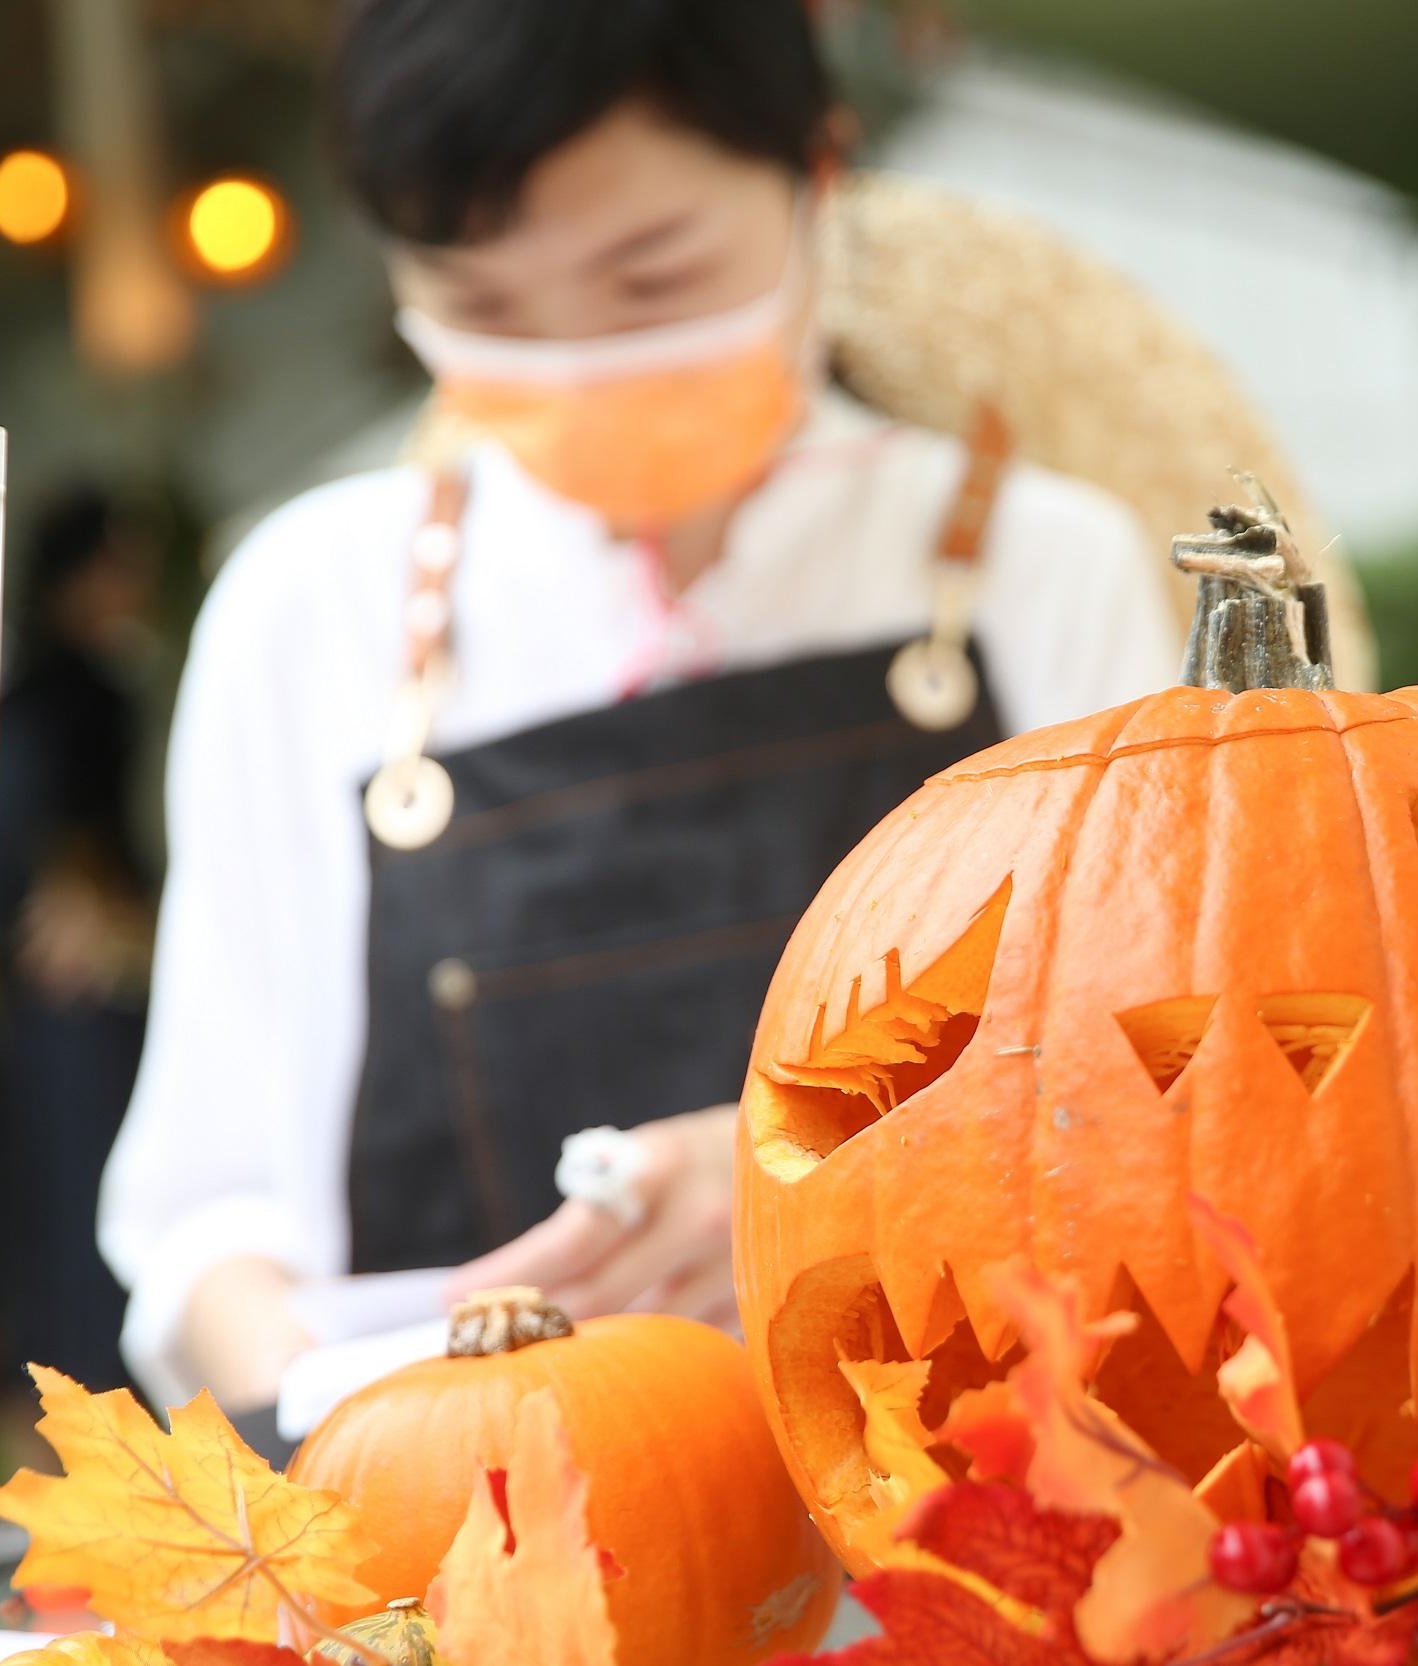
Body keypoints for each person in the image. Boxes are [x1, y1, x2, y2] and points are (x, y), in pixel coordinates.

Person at [97, 0, 1180, 1412]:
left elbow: (1167, 1094)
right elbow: (209, 1221)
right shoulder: (311, 609)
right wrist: (336, 1422)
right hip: (464, 1516)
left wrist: (820, 1177)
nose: (578, 364)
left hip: (978, 1483)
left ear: (819, 175)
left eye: (655, 281)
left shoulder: (1044, 571)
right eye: (484, 310)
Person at [0, 486, 161, 1397]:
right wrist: (94, 905)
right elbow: (77, 861)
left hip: (40, 1003)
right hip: (84, 994)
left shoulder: (15, 696)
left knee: (58, 1211)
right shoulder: (84, 694)